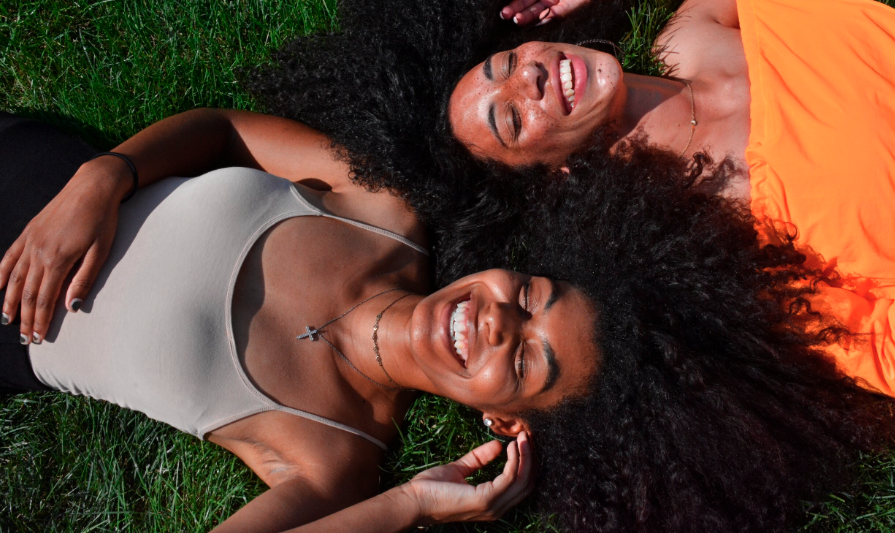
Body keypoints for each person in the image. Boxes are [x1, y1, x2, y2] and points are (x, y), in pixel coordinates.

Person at [0, 110, 893, 533]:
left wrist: (407, 508)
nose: (499, 321)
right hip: (36, 170)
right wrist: (104, 177)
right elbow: (225, 131)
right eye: (531, 296)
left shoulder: (328, 452)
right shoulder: (383, 208)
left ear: (502, 421)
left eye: (529, 361)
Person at [447, 0, 895, 397]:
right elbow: (878, 348)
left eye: (507, 63)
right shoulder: (713, 239)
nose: (529, 78)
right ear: (552, 177)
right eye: (513, 119)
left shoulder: (688, 38)